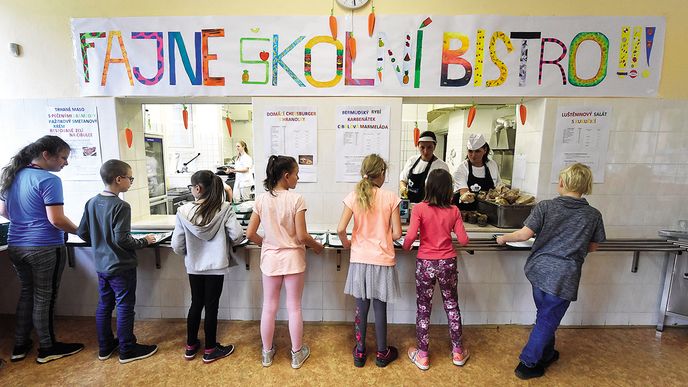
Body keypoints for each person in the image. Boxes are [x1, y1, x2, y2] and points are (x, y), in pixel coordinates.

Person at [496, 163, 605, 380]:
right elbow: (593, 246)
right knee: (547, 318)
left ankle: (547, 353)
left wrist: (503, 238)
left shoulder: (546, 207)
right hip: (565, 275)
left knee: (545, 315)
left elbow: (523, 235)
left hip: (539, 270)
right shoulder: (593, 215)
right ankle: (527, 363)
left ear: (563, 182)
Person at [0, 135, 85, 364]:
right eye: (63, 158)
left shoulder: (12, 175)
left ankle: (20, 344)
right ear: (46, 155)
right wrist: (80, 232)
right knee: (45, 298)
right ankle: (48, 347)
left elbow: (4, 212)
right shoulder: (48, 180)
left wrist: (26, 221)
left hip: (17, 244)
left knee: (28, 293)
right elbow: (56, 220)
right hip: (44, 246)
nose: (65, 163)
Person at [76, 159, 158, 364]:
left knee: (104, 305)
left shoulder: (92, 202)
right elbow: (122, 239)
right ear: (118, 179)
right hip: (121, 266)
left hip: (101, 265)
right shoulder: (121, 206)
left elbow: (82, 232)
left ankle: (105, 347)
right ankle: (127, 349)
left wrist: (101, 243)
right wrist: (144, 241)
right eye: (130, 178)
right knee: (124, 306)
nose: (131, 182)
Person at [246, 155, 324, 369]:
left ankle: (266, 354)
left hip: (270, 260)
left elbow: (250, 233)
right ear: (286, 175)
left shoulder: (261, 199)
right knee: (294, 307)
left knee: (269, 307)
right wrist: (318, 247)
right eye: (296, 174)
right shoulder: (296, 199)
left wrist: (268, 243)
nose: (298, 178)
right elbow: (302, 236)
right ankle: (297, 354)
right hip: (293, 260)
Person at [172, 170, 244, 363]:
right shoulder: (224, 208)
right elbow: (237, 235)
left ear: (197, 188)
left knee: (196, 303)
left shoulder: (183, 211)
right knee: (211, 306)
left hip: (194, 266)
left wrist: (190, 255)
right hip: (216, 266)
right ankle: (210, 349)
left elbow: (177, 245)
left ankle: (190, 345)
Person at [337, 154, 402, 368]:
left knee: (360, 308)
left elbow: (340, 229)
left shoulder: (354, 196)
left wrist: (348, 244)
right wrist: (383, 237)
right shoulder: (390, 197)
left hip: (359, 260)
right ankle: (382, 353)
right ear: (381, 173)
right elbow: (397, 234)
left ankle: (360, 352)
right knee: (380, 309)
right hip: (382, 260)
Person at [402, 169, 470, 370]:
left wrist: (406, 247)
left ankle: (423, 355)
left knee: (424, 308)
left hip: (425, 264)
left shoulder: (420, 209)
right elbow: (464, 240)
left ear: (427, 187)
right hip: (448, 262)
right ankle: (458, 353)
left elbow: (410, 238)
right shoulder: (454, 211)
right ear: (449, 189)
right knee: (452, 305)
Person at [452, 133, 501, 210]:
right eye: (470, 151)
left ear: (485, 150)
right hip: (466, 211)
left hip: (488, 212)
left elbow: (498, 188)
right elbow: (464, 192)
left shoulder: (492, 165)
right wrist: (466, 196)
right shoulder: (462, 168)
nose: (473, 155)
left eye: (477, 151)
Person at [399, 131, 450, 203]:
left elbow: (445, 190)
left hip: (430, 207)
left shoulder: (442, 166)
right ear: (418, 146)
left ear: (434, 146)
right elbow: (403, 180)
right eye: (422, 147)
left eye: (429, 147)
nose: (426, 151)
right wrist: (403, 188)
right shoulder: (412, 161)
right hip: (410, 205)